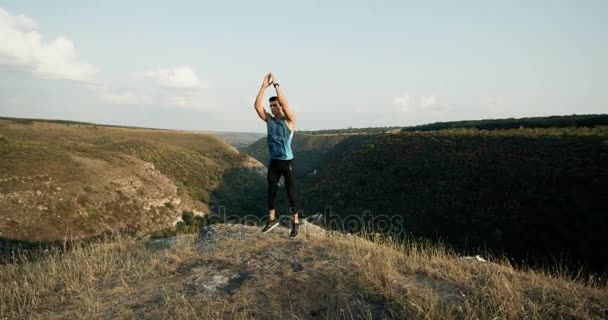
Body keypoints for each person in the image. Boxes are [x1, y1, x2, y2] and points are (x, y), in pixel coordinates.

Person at [253, 72, 299, 239]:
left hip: (287, 162)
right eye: (271, 106)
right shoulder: (269, 121)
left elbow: (285, 103)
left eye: (276, 105)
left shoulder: (290, 121)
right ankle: (271, 221)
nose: (273, 108)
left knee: (290, 192)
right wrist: (264, 86)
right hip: (274, 162)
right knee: (271, 191)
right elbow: (257, 107)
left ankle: (295, 223)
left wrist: (276, 84)